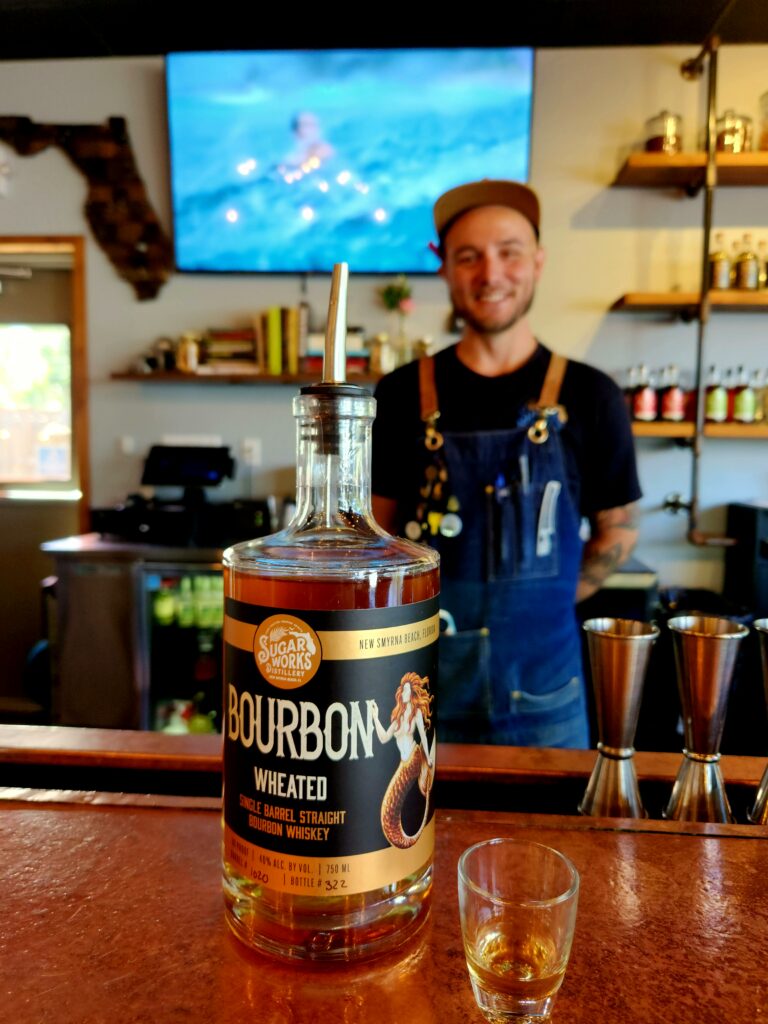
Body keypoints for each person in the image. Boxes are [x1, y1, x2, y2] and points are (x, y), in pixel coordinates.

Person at [371, 179, 641, 748]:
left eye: (509, 252)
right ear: (444, 267)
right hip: (420, 699)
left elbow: (618, 530)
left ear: (538, 261)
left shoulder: (592, 395)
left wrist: (540, 604)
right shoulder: (399, 394)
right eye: (469, 256)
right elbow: (374, 537)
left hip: (549, 696)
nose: (490, 274)